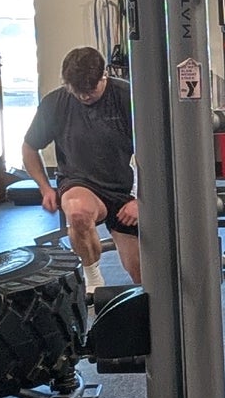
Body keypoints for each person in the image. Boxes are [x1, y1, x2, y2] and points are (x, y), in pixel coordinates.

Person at [22, 47, 140, 289]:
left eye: (90, 91)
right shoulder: (55, 103)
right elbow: (29, 148)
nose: (84, 97)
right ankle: (93, 280)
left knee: (144, 280)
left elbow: (156, 153)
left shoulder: (128, 97)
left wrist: (142, 201)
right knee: (77, 211)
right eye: (78, 92)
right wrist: (45, 188)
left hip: (123, 190)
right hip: (79, 184)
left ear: (104, 76)